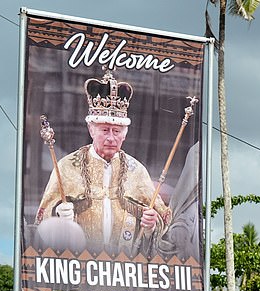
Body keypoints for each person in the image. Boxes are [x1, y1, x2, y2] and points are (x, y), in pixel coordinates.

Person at [35, 68, 171, 255]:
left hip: (124, 269)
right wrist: (58, 215)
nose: (111, 138)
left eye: (116, 131)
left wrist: (150, 226)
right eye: (104, 130)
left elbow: (161, 220)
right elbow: (42, 219)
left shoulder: (137, 171)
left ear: (125, 134)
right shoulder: (67, 167)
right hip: (79, 267)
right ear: (91, 130)